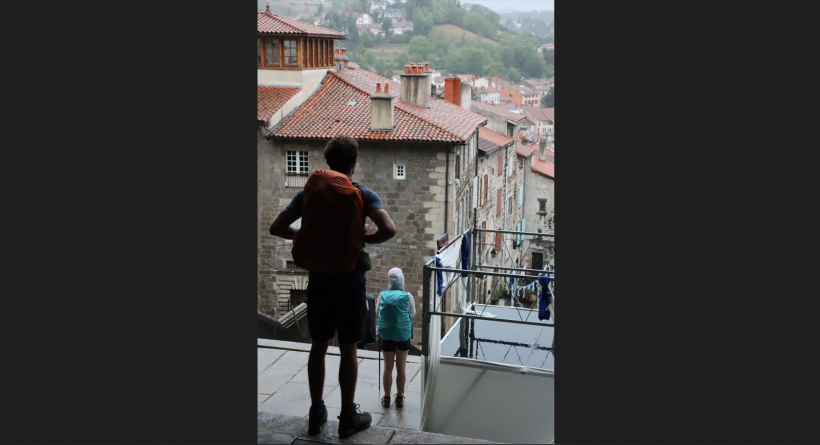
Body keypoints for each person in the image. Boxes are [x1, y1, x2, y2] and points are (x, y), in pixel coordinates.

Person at [269, 135, 396, 438]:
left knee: (318, 346)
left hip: (319, 281)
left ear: (328, 163)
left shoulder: (308, 193)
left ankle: (316, 412)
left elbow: (277, 227)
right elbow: (389, 229)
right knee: (349, 349)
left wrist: (306, 237)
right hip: (351, 283)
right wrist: (361, 238)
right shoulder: (362, 194)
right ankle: (347, 416)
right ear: (354, 162)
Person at [376, 267, 416, 409]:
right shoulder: (408, 296)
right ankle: (399, 398)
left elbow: (377, 312)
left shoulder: (382, 296)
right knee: (401, 367)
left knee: (388, 367)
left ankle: (386, 398)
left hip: (386, 334)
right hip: (403, 335)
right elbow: (412, 313)